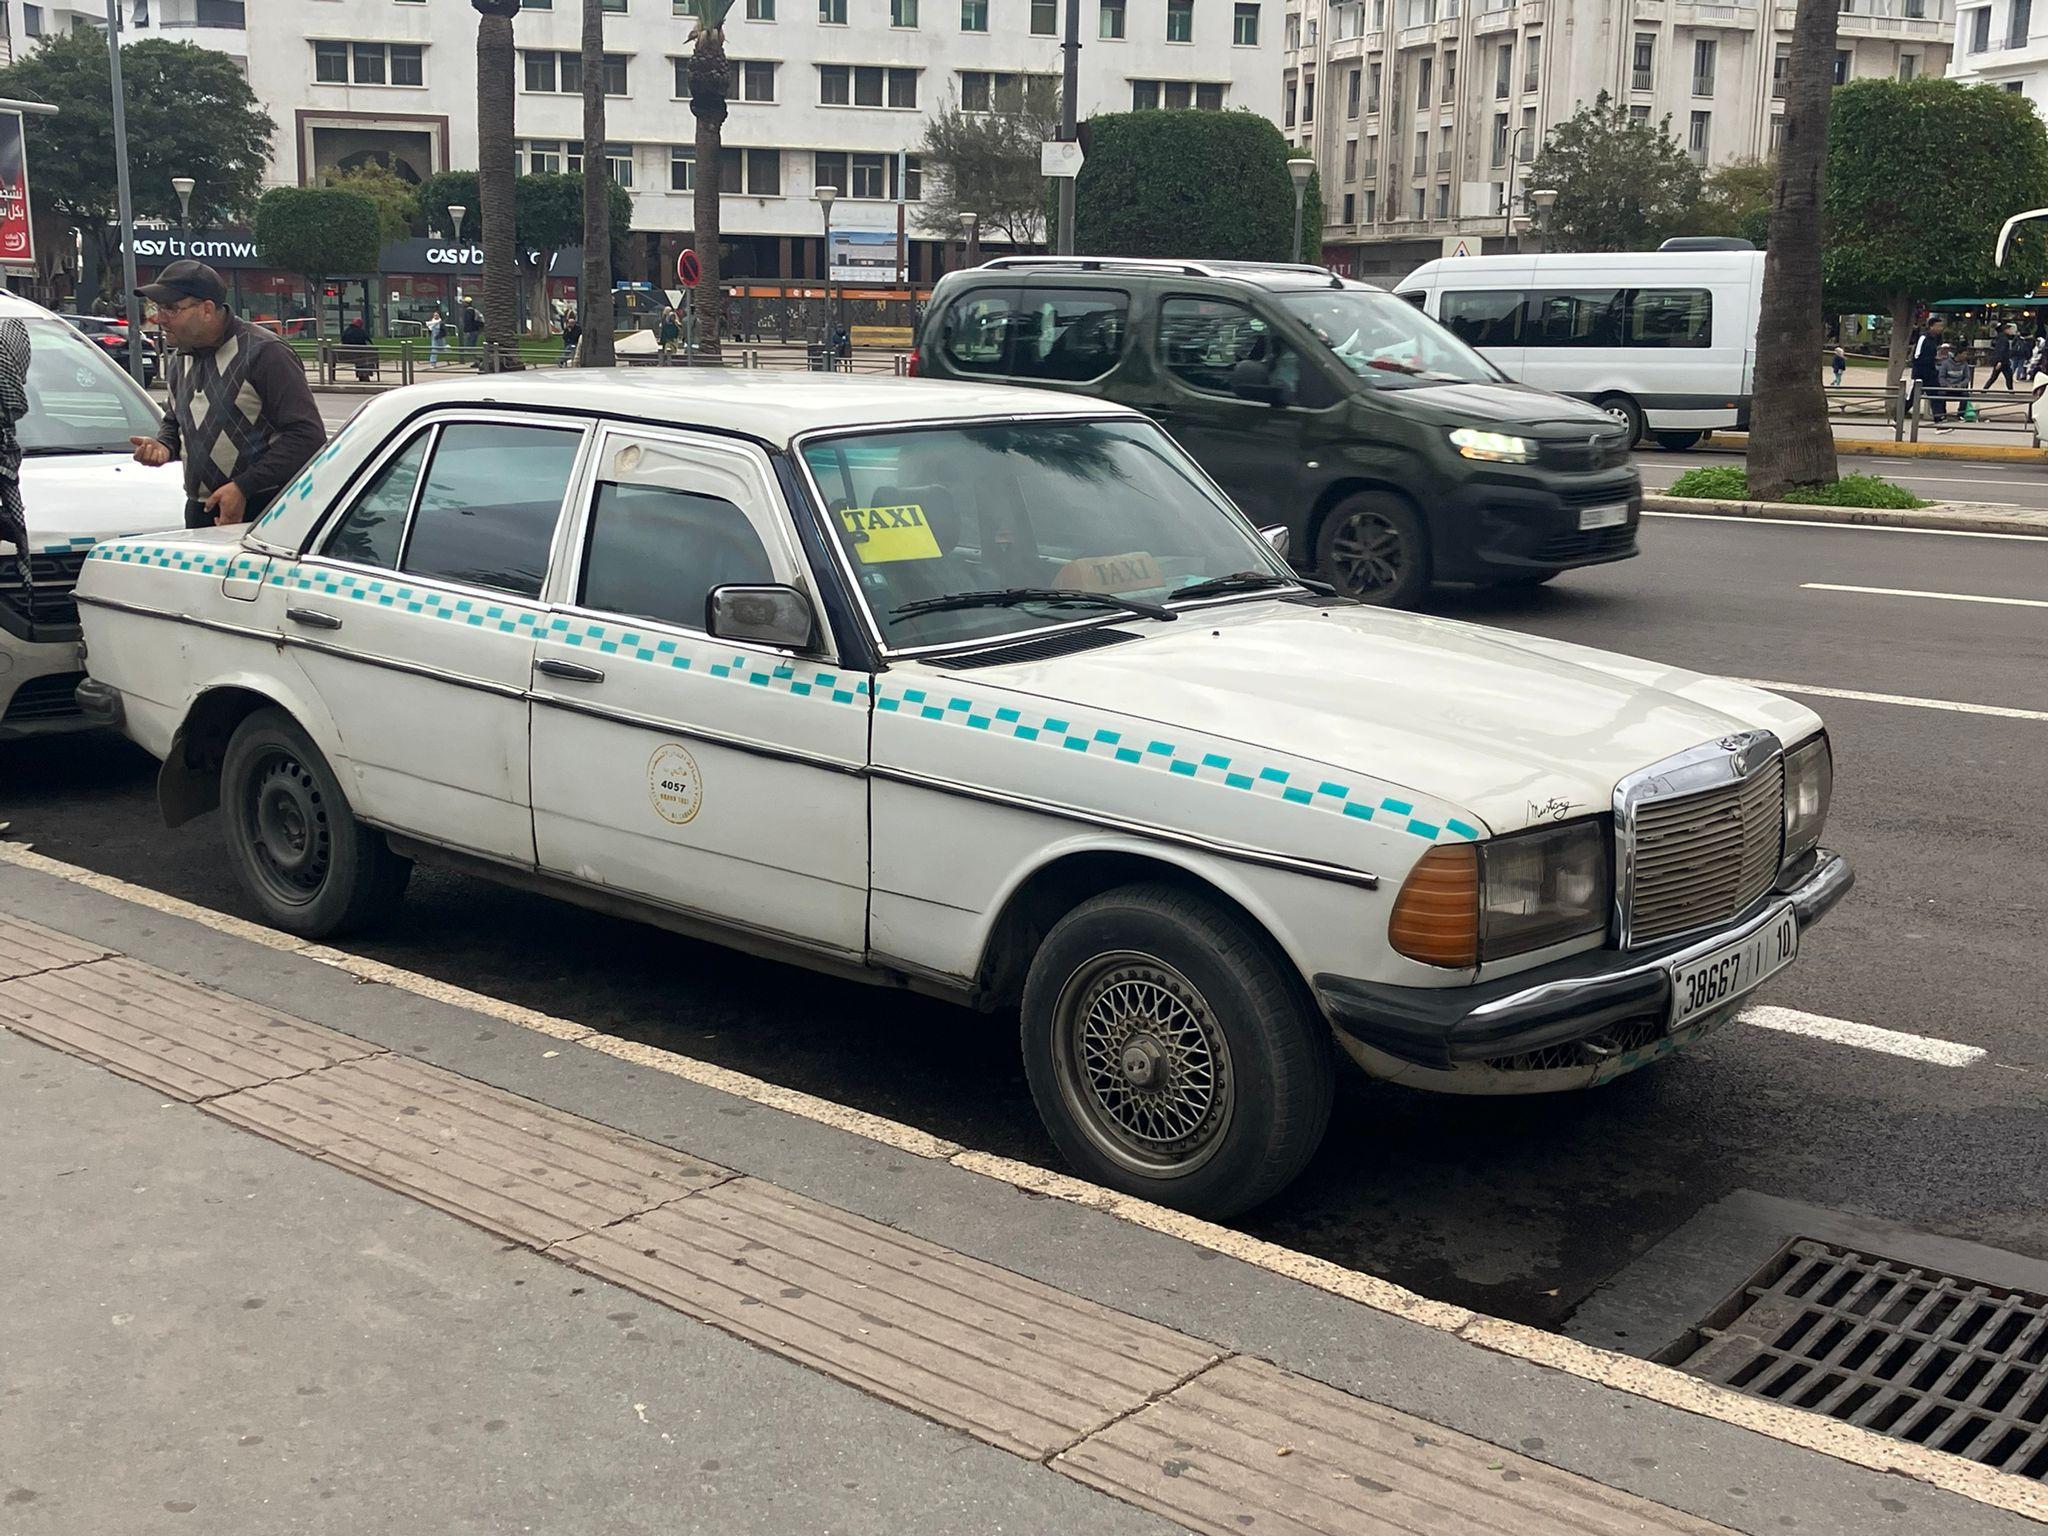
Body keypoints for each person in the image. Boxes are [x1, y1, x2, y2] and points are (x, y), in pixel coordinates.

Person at [127, 259, 325, 529]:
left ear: (207, 309)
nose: (160, 318)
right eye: (157, 308)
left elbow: (307, 436)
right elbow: (176, 421)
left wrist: (243, 487)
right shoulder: (180, 356)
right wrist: (163, 446)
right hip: (200, 510)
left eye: (171, 309)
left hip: (264, 511)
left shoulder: (265, 353)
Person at [1910, 315, 1947, 425]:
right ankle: (1897, 419)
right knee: (1912, 398)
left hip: (1931, 372)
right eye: (1938, 326)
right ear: (1931, 326)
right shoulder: (1923, 338)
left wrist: (1936, 359)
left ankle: (1938, 421)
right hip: (1920, 373)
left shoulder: (1935, 339)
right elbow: (1917, 356)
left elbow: (1930, 355)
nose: (1941, 328)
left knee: (1935, 396)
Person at [1934, 342, 1971, 431]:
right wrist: (1947, 385)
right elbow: (1941, 377)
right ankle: (1943, 414)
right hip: (1947, 387)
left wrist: (1960, 385)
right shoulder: (1946, 363)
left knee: (1965, 395)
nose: (1966, 356)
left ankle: (1960, 414)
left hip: (1959, 388)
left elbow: (1967, 378)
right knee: (1941, 394)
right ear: (1959, 354)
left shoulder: (1965, 365)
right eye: (1964, 354)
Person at [341, 314, 374, 382]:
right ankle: (365, 375)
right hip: (361, 354)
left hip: (346, 356)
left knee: (359, 358)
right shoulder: (361, 332)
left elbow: (342, 340)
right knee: (366, 358)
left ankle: (361, 374)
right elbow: (369, 341)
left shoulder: (346, 331)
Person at [1989, 322, 2019, 391]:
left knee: (2007, 377)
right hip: (2002, 361)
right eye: (2010, 329)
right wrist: (1999, 361)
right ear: (2005, 330)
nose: (2011, 331)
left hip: (2004, 362)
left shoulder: (2002, 338)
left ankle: (2011, 391)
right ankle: (1984, 389)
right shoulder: (2003, 339)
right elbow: (2000, 351)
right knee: (1995, 377)